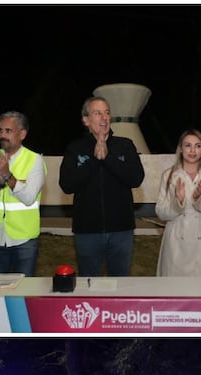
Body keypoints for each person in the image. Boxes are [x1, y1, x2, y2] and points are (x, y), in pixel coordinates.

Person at [58, 96, 145, 277]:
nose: (104, 118)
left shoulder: (125, 145)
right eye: (97, 113)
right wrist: (93, 160)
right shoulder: (75, 148)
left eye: (107, 112)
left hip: (121, 230)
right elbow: (66, 184)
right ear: (86, 120)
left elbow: (136, 178)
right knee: (90, 286)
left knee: (120, 285)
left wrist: (108, 158)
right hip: (87, 231)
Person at [0, 111, 46, 276]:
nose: (2, 135)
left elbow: (28, 198)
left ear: (22, 134)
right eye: (0, 130)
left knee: (23, 293)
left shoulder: (35, 160)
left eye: (8, 131)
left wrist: (7, 176)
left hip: (24, 239)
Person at [154, 129, 201, 276]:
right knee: (175, 293)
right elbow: (160, 212)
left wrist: (200, 200)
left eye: (198, 146)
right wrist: (177, 201)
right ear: (180, 149)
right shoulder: (169, 175)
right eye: (188, 145)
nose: (193, 150)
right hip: (176, 244)